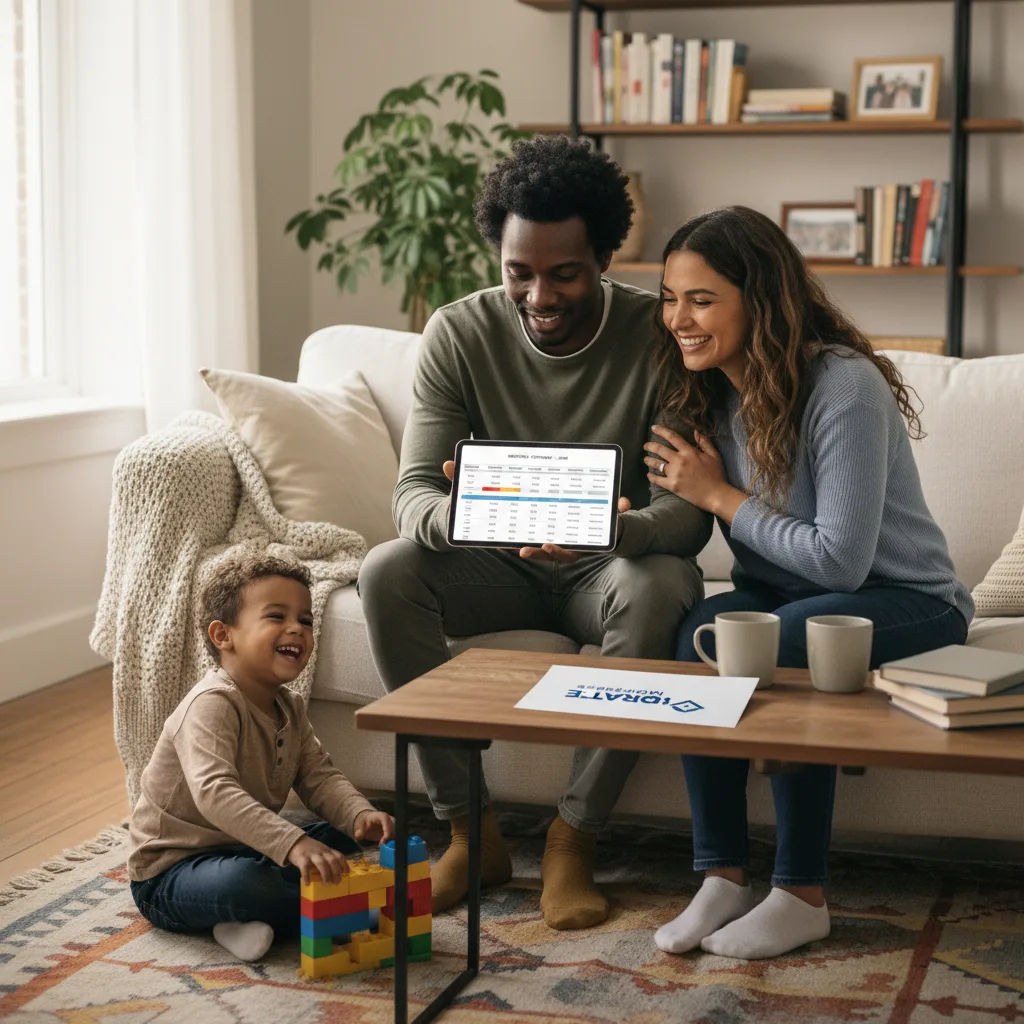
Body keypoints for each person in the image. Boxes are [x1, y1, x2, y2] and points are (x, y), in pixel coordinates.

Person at [358, 135, 711, 930]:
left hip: (609, 570)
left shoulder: (660, 337)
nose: (539, 295)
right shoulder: (459, 333)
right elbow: (412, 495)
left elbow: (687, 516)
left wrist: (619, 534)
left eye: (564, 273)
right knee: (386, 571)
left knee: (657, 586)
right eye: (519, 272)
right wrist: (472, 515)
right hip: (494, 565)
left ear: (605, 258)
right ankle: (468, 831)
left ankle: (572, 840)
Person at [643, 206, 972, 960]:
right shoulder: (711, 388)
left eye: (700, 299)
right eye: (669, 297)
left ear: (758, 299)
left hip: (906, 600)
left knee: (789, 641)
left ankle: (800, 892)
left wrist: (721, 496)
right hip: (788, 591)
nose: (678, 319)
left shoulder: (842, 385)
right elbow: (675, 500)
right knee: (697, 635)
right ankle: (722, 874)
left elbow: (840, 563)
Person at [128, 549, 394, 962]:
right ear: (223, 636)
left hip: (244, 845)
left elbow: (319, 777)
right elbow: (214, 791)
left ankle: (258, 917)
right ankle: (320, 909)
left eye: (305, 620)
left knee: (340, 836)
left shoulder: (289, 707)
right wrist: (293, 844)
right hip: (173, 873)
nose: (298, 629)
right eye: (276, 617)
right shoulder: (211, 704)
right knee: (252, 883)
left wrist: (360, 814)